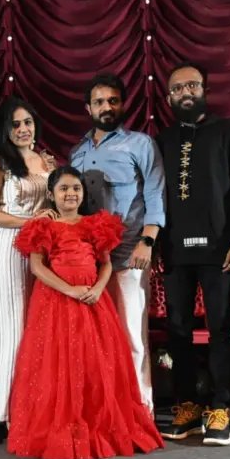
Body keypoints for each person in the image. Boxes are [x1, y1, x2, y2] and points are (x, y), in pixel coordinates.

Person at [7, 165, 165, 459]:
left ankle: (96, 422)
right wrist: (69, 290)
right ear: (51, 195)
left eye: (76, 188)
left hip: (93, 301)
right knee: (58, 361)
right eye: (64, 188)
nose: (71, 194)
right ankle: (63, 425)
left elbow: (105, 263)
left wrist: (98, 288)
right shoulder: (42, 227)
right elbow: (37, 267)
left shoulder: (95, 224)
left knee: (94, 361)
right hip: (55, 302)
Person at [155, 62, 230, 446]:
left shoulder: (227, 130)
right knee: (178, 330)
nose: (186, 92)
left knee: (220, 329)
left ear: (204, 91)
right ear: (169, 96)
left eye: (192, 85)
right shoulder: (162, 140)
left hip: (220, 249)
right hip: (174, 250)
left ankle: (220, 408)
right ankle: (187, 406)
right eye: (178, 88)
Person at [71, 73, 166, 415]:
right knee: (95, 339)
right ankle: (105, 411)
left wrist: (147, 242)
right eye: (99, 102)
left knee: (132, 337)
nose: (107, 107)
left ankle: (141, 411)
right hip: (88, 263)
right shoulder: (77, 153)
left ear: (123, 104)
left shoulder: (141, 145)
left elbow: (155, 195)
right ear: (88, 108)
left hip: (128, 256)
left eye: (113, 100)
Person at [0, 97, 56, 425]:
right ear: (6, 130)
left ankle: (37, 408)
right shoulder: (0, 162)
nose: (23, 129)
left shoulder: (47, 161)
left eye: (28, 122)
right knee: (11, 328)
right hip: (9, 247)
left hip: (42, 251)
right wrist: (29, 222)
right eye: (16, 124)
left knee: (39, 327)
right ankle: (10, 412)